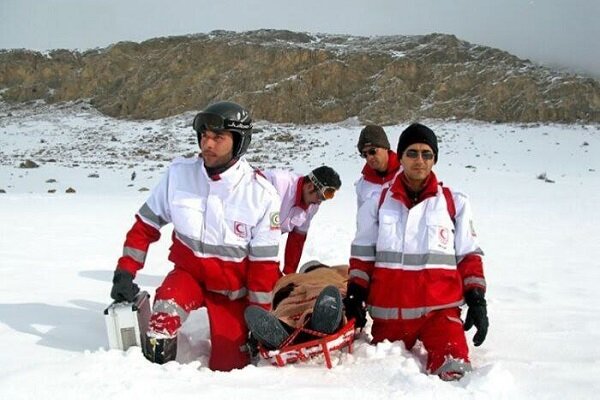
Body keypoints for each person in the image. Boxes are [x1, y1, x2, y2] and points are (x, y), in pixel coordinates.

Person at [109, 101, 282, 371]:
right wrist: (125, 271)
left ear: (239, 142)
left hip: (232, 295)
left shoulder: (261, 194)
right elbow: (145, 225)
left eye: (218, 138)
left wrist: (258, 317)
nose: (208, 144)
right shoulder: (179, 176)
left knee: (230, 366)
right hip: (188, 277)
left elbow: (264, 268)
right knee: (160, 326)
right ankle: (155, 381)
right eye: (204, 136)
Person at [345, 123, 489, 381]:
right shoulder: (377, 203)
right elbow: (363, 256)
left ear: (434, 159)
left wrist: (477, 299)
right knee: (380, 383)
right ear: (399, 157)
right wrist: (356, 295)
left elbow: (468, 256)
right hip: (389, 318)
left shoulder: (454, 202)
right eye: (412, 153)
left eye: (427, 154)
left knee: (455, 375)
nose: (419, 160)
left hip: (439, 316)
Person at [244, 261, 347, 350]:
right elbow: (357, 279)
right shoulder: (336, 270)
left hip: (290, 296)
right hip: (321, 291)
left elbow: (278, 290)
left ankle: (282, 327)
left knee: (287, 313)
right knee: (326, 298)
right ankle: (325, 317)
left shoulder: (291, 277)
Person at [263, 167, 341, 274]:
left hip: (264, 240)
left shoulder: (311, 205)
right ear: (310, 186)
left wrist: (289, 274)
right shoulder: (277, 183)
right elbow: (269, 232)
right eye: (321, 197)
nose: (319, 203)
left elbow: (297, 240)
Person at [355, 125, 401, 210]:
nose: (369, 157)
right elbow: (364, 219)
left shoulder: (407, 173)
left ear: (385, 148)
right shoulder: (363, 184)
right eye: (364, 154)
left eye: (372, 151)